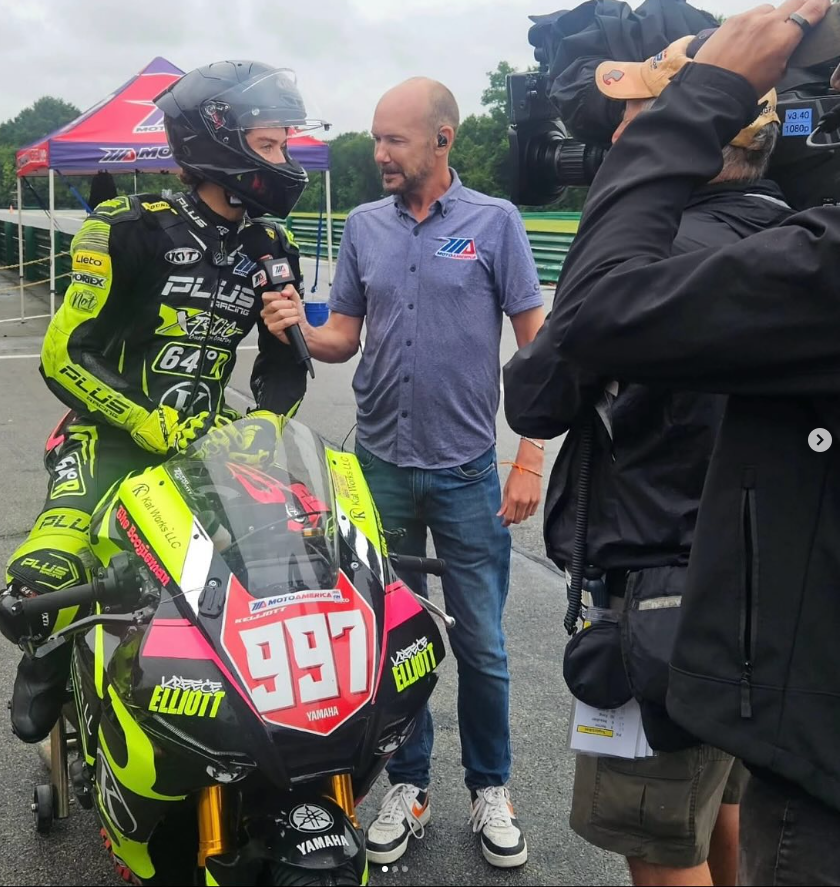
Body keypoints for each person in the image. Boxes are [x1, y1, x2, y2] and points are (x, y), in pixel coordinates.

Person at [540, 1, 840, 883]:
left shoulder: (729, 251)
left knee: (656, 844)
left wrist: (670, 128)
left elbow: (563, 354)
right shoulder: (784, 233)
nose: (624, 131)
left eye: (640, 115)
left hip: (670, 602)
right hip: (772, 636)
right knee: (727, 817)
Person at [0, 59, 326, 748]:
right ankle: (49, 655)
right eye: (270, 144)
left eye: (286, 144)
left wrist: (265, 419)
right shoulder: (124, 225)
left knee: (300, 563)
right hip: (108, 437)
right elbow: (62, 353)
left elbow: (285, 366)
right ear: (217, 141)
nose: (284, 160)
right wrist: (141, 418)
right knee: (42, 578)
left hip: (210, 446)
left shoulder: (272, 244)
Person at [260, 76, 545, 869]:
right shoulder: (362, 226)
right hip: (375, 471)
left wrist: (528, 455)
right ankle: (408, 783)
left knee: (482, 645)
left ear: (441, 140)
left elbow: (538, 347)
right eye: (376, 138)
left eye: (394, 140)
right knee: (390, 640)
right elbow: (343, 336)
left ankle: (491, 785)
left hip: (464, 474)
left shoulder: (495, 223)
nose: (378, 152)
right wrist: (296, 326)